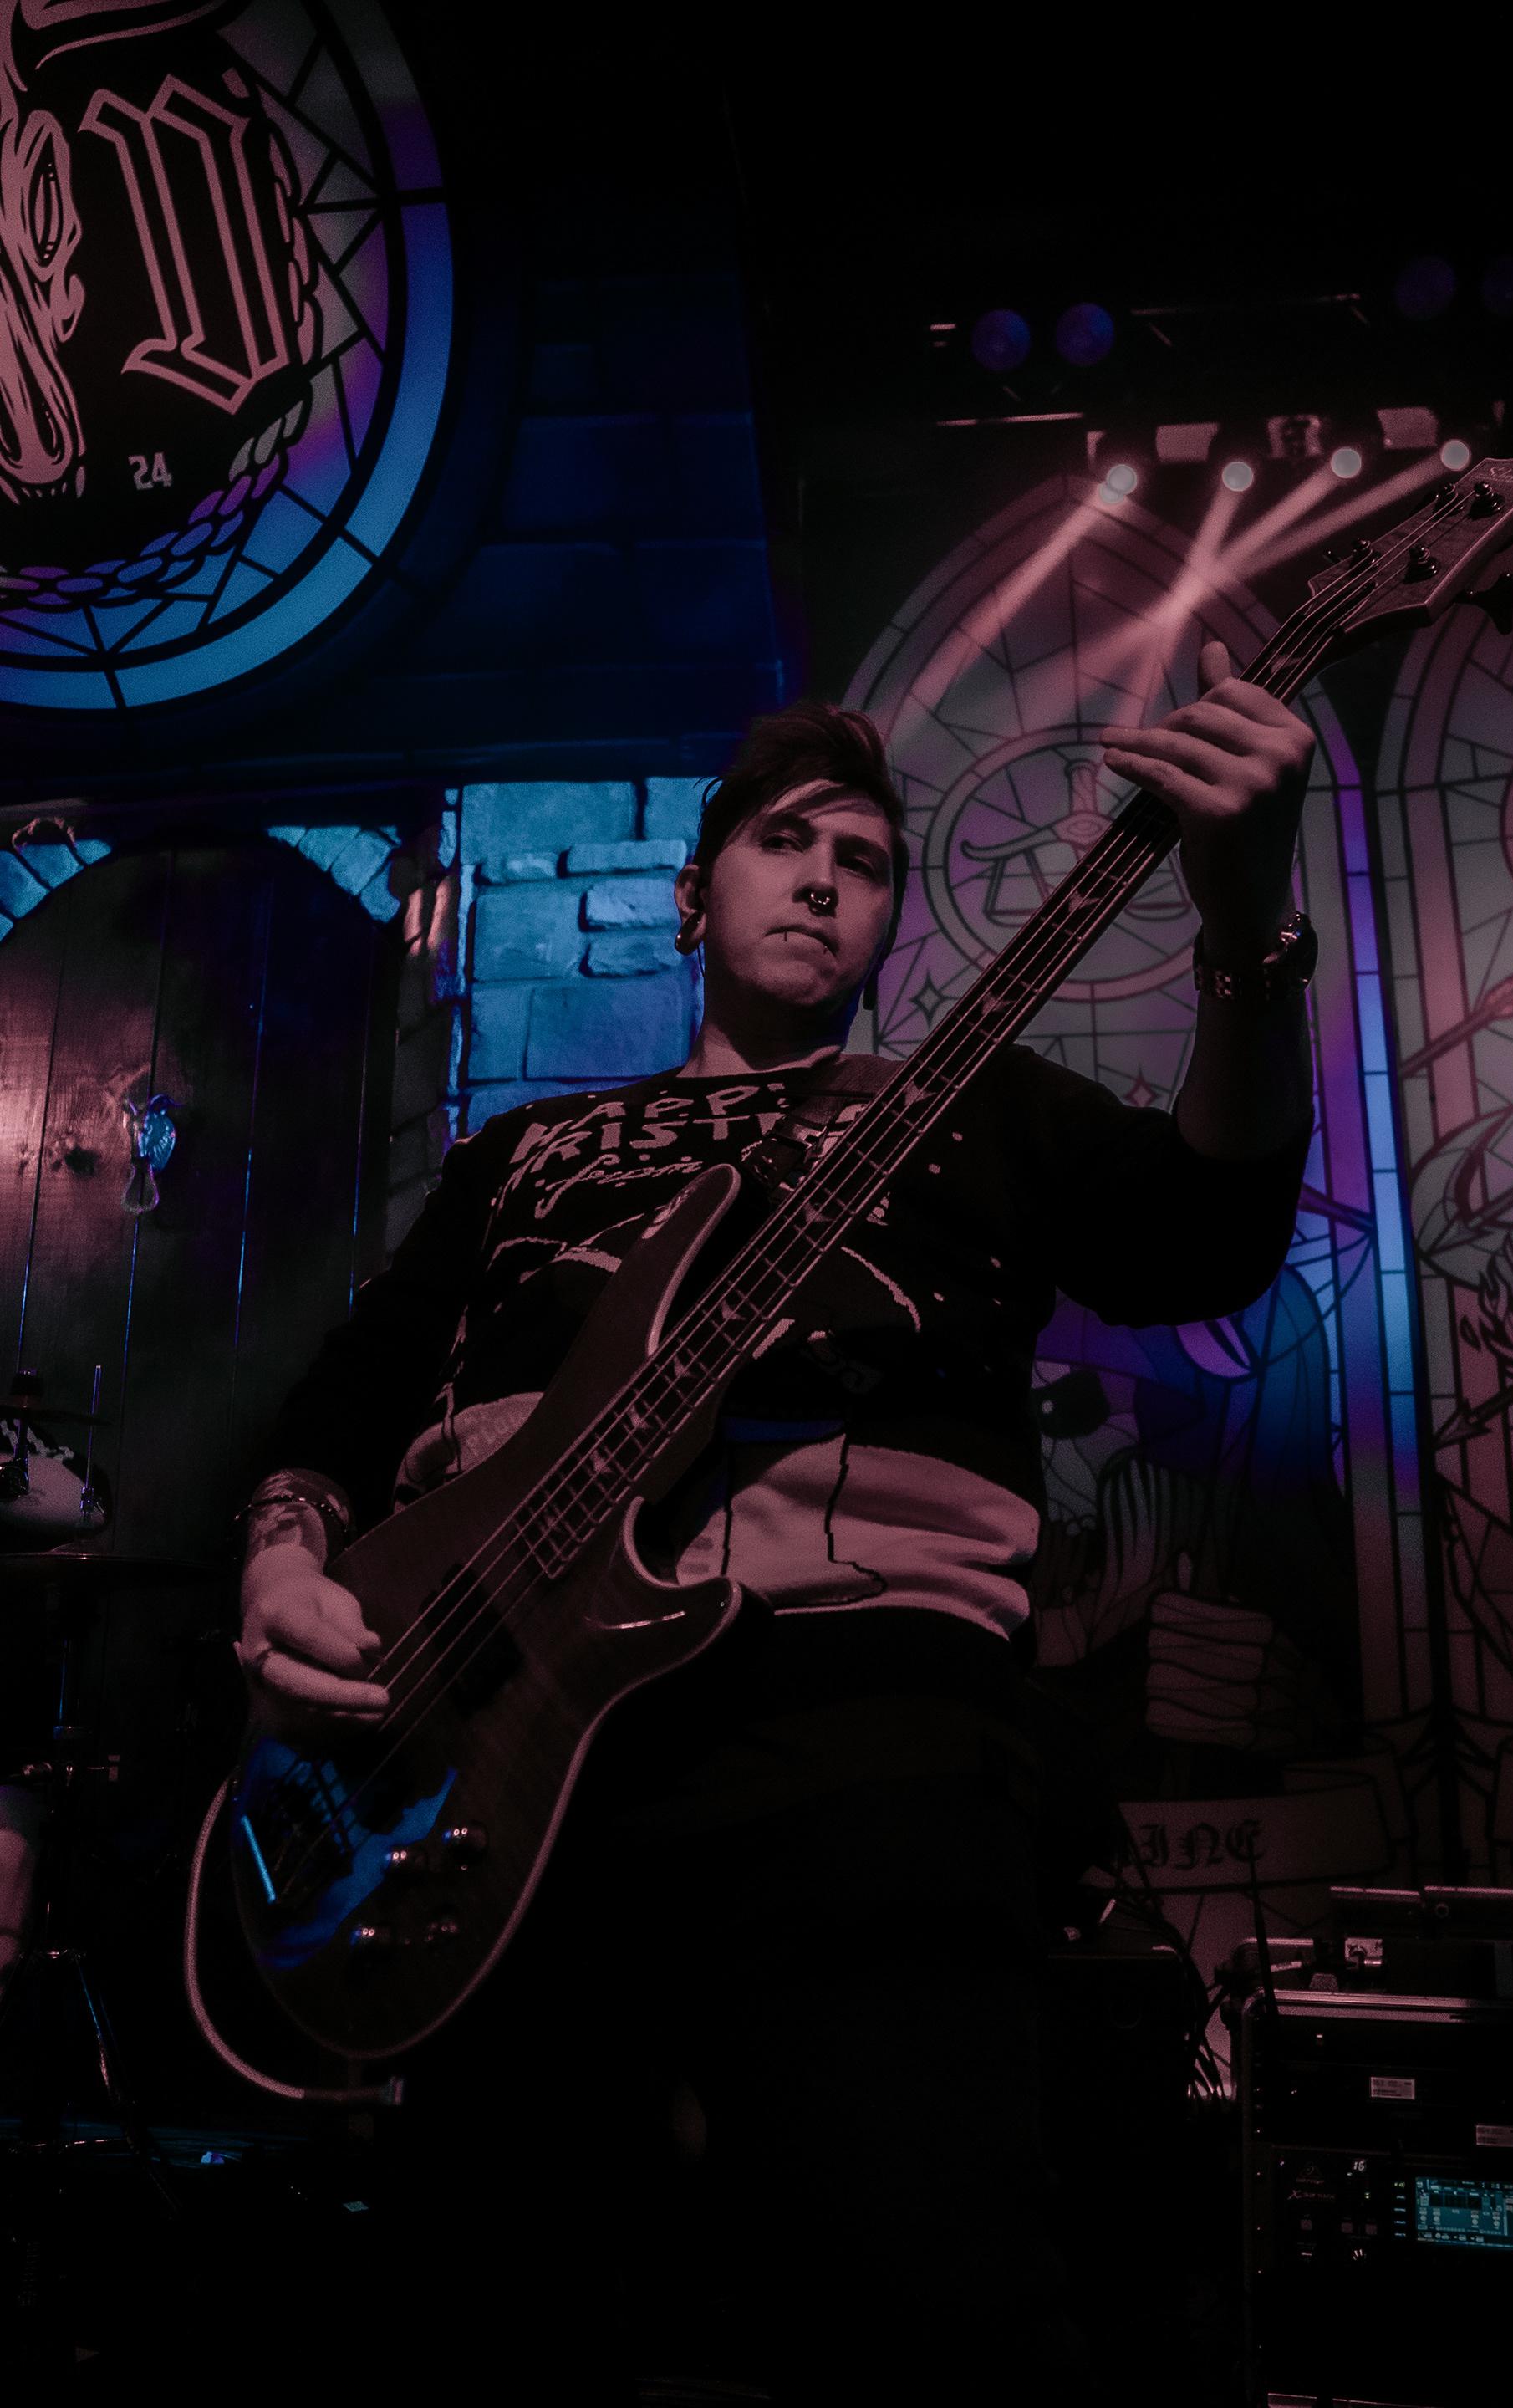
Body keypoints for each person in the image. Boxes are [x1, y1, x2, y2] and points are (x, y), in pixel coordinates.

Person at [235, 644, 1315, 2402]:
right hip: (483, 1751)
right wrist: (286, 1555)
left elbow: (1209, 1238)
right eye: (784, 840)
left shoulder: (975, 1110)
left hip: (860, 1722)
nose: (822, 878)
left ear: (887, 929)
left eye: (864, 861)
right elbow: (346, 1403)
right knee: (492, 2311)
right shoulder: (529, 1152)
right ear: (696, 890)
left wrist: (1253, 934)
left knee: (929, 2308)